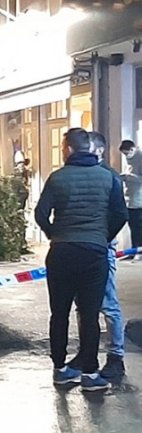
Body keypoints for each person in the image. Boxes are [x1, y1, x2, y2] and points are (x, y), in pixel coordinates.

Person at [34, 128, 127, 392]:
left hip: (61, 252)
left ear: (69, 149)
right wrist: (100, 235)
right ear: (89, 148)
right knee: (89, 315)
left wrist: (56, 234)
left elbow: (40, 214)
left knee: (59, 313)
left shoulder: (57, 178)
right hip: (94, 254)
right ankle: (90, 374)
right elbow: (120, 215)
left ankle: (60, 369)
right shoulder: (108, 178)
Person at [66, 132, 126, 380]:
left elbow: (118, 213)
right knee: (84, 304)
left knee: (107, 302)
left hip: (100, 247)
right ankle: (86, 353)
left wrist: (105, 239)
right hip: (86, 245)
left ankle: (116, 356)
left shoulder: (108, 176)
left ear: (99, 150)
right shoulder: (83, 174)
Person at [119, 140, 142, 260]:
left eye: (127, 153)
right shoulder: (129, 160)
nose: (126, 156)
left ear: (133, 149)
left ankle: (139, 251)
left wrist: (129, 177)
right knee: (133, 226)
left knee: (139, 227)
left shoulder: (140, 158)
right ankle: (133, 250)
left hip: (139, 199)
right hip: (130, 198)